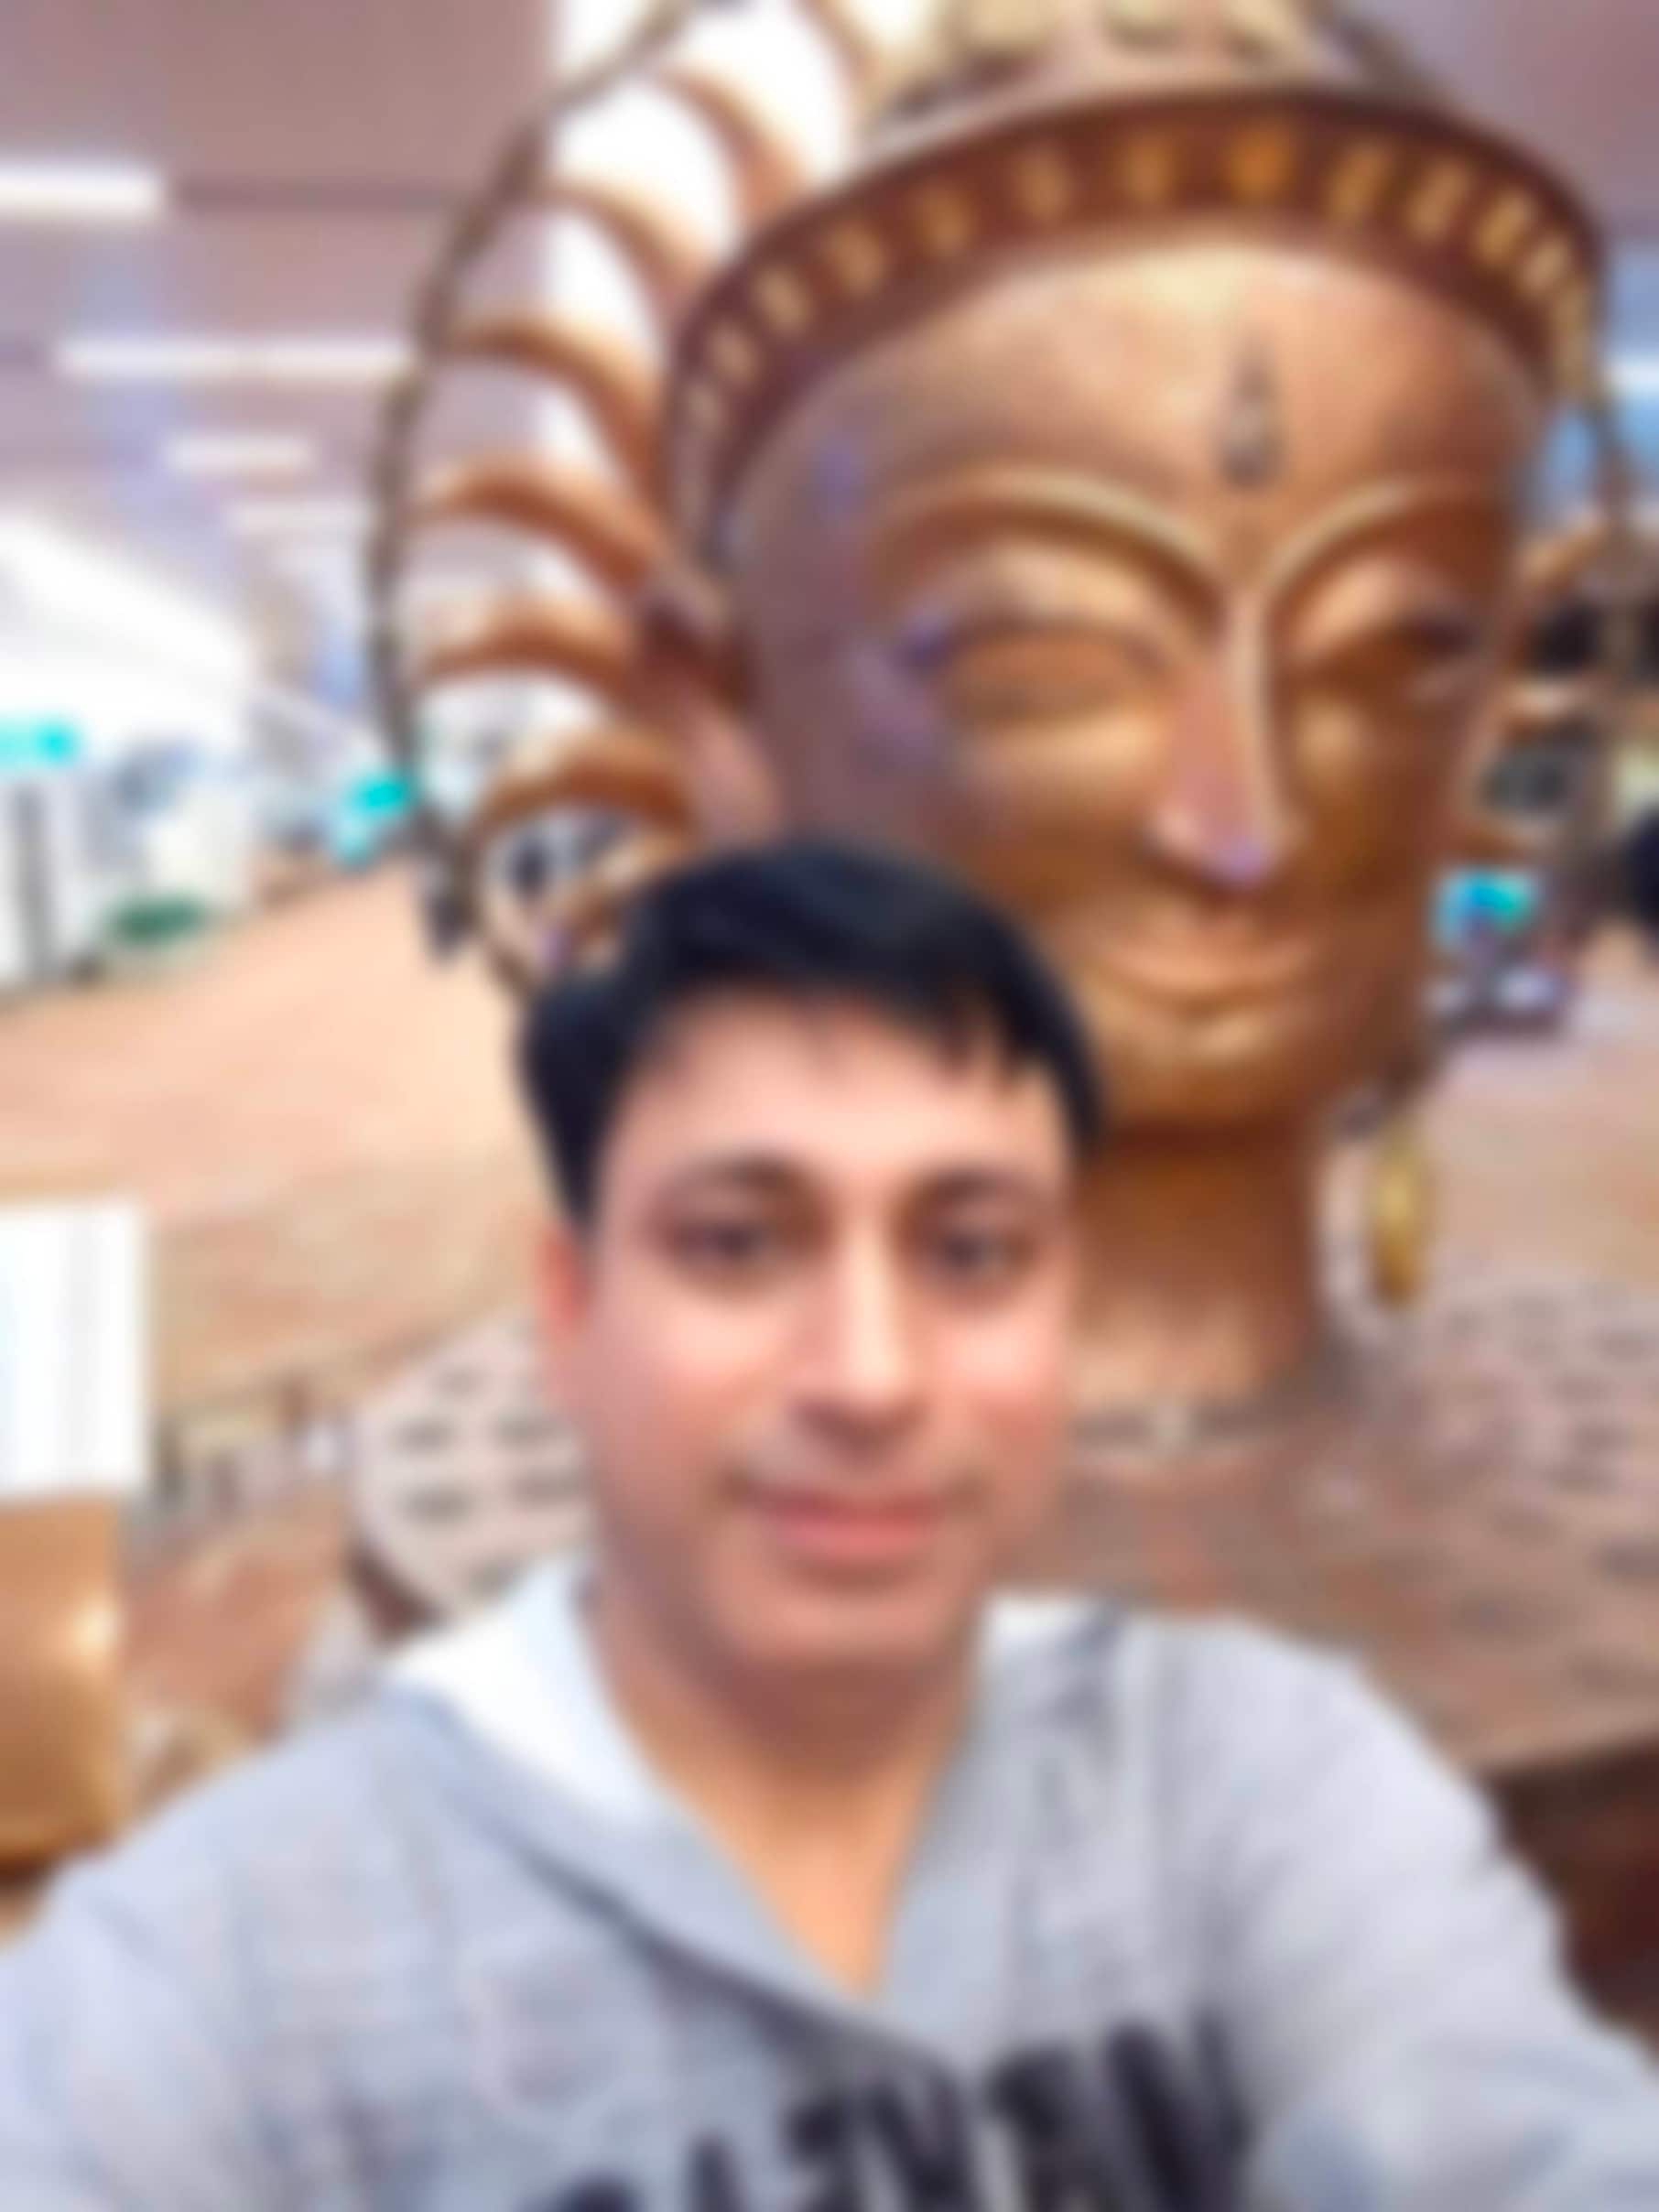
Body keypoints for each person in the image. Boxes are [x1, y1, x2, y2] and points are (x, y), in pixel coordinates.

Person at [3, 840, 1657, 2210]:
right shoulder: (225, 1975)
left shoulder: (1260, 1791)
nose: (869, 1378)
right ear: (570, 1314)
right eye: (736, 1244)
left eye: (972, 1253)